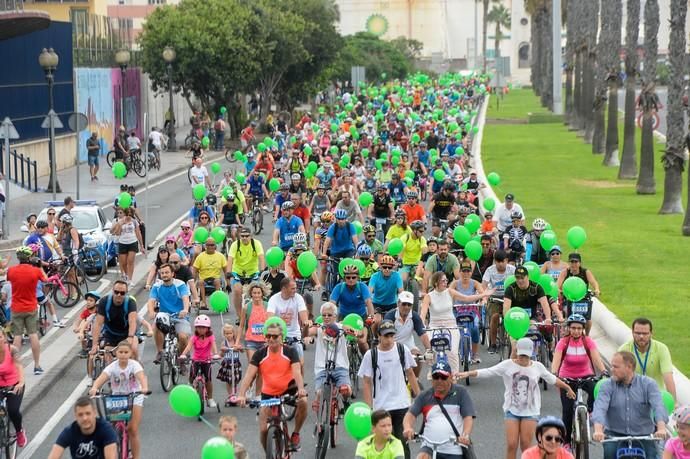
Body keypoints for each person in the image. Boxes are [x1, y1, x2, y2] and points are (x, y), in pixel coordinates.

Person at [457, 337, 575, 459]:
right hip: (511, 410)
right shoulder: (508, 365)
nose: (523, 358)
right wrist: (468, 373)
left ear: (531, 353)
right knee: (512, 444)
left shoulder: (538, 367)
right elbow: (488, 372)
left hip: (530, 411)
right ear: (517, 351)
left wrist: (567, 388)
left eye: (526, 355)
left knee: (526, 445)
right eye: (521, 355)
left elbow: (552, 379)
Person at [236, 318, 308, 452]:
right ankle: (269, 453)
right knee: (263, 430)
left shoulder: (290, 351)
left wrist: (301, 389)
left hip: (288, 390)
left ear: (281, 338)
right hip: (268, 393)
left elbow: (297, 372)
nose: (271, 339)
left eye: (275, 336)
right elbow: (249, 375)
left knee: (303, 401)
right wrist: (241, 395)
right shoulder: (260, 354)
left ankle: (296, 434)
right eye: (268, 336)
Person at [359, 320, 420, 459]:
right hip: (381, 407)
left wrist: (419, 397)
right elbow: (367, 382)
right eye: (386, 336)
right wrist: (369, 408)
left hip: (401, 404)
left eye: (392, 335)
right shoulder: (371, 355)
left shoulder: (401, 349)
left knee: (401, 443)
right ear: (379, 336)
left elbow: (410, 373)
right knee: (382, 443)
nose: (389, 339)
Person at [592, 351, 669, 459]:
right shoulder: (607, 385)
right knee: (609, 454)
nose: (611, 369)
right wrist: (598, 430)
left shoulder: (648, 384)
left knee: (653, 456)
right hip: (614, 434)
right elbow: (600, 408)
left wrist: (661, 428)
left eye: (616, 367)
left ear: (629, 367)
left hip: (644, 434)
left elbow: (658, 406)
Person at [550, 314, 607, 444]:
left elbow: (596, 358)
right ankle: (566, 443)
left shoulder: (588, 341)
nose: (576, 331)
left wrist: (603, 371)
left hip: (586, 375)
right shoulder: (563, 342)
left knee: (595, 388)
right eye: (573, 328)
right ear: (569, 329)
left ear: (583, 329)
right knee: (568, 411)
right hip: (567, 378)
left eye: (579, 328)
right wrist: (554, 373)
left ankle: (591, 411)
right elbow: (556, 360)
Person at [421, 271, 492, 374]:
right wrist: (422, 323)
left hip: (451, 325)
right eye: (443, 281)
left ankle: (454, 376)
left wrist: (484, 294)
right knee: (432, 351)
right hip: (434, 326)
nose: (446, 282)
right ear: (436, 283)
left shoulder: (450, 292)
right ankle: (433, 372)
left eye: (446, 280)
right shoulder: (429, 296)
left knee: (453, 353)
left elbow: (467, 298)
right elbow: (423, 312)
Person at [403, 361, 476, 459]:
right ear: (431, 379)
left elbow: (468, 417)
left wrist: (465, 435)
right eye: (436, 377)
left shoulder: (461, 393)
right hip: (428, 446)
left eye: (443, 377)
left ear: (450, 377)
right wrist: (408, 428)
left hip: (453, 449)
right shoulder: (424, 396)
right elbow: (410, 415)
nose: (439, 380)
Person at [89, 340, 148, 459]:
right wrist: (95, 388)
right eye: (120, 352)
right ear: (116, 353)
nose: (123, 354)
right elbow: (101, 378)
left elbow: (141, 377)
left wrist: (144, 387)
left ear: (130, 353)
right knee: (111, 428)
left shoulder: (134, 365)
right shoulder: (112, 367)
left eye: (126, 352)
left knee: (132, 429)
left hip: (134, 395)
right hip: (117, 397)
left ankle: (135, 456)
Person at [7, 246, 47, 375]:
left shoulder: (11, 271)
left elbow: (9, 280)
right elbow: (45, 280)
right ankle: (36, 365)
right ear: (30, 257)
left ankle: (15, 366)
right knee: (33, 334)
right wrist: (40, 266)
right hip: (31, 307)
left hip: (16, 307)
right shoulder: (35, 271)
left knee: (17, 337)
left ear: (18, 258)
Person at [306, 303, 351, 411]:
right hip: (322, 368)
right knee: (319, 392)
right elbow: (308, 333)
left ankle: (345, 401)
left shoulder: (341, 327)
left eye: (329, 315)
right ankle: (319, 424)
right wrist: (307, 332)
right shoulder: (318, 328)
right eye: (324, 315)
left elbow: (351, 329)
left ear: (335, 316)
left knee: (346, 390)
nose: (326, 317)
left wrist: (355, 332)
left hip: (340, 367)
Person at [618, 317, 676, 400]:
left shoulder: (661, 349)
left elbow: (668, 376)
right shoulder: (624, 350)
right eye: (638, 333)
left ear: (651, 334)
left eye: (645, 333)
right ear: (632, 333)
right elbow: (618, 378)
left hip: (656, 397)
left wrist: (674, 402)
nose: (641, 336)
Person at [147, 263, 191, 364]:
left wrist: (185, 310)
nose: (164, 275)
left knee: (183, 337)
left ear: (172, 274)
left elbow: (185, 298)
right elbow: (151, 300)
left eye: (167, 272)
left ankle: (182, 358)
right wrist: (151, 312)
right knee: (157, 326)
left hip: (179, 315)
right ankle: (160, 352)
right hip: (164, 315)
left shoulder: (180, 284)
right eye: (162, 273)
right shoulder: (157, 286)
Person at [48, 396, 118, 459]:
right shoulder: (70, 431)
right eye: (80, 415)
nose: (84, 418)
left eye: (88, 413)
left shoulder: (106, 429)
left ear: (94, 413)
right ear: (75, 416)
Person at [383, 291, 431, 378]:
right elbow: (385, 337)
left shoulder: (415, 316)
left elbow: (423, 334)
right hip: (392, 346)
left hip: (409, 347)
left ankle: (414, 382)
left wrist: (429, 350)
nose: (406, 307)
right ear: (398, 303)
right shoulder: (390, 316)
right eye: (404, 304)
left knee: (418, 356)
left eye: (409, 305)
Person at [91, 281, 139, 363]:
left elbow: (132, 321)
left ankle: (136, 370)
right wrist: (94, 344)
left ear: (126, 293)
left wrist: (130, 337)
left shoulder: (130, 302)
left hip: (127, 333)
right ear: (112, 291)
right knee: (107, 353)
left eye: (122, 293)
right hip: (111, 334)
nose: (119, 295)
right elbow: (98, 324)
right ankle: (112, 374)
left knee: (133, 349)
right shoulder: (104, 302)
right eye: (116, 292)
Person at [179, 315, 220, 408]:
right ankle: (189, 387)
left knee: (208, 378)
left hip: (207, 360)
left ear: (208, 328)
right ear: (196, 328)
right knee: (192, 374)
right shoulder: (194, 337)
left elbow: (213, 346)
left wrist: (215, 354)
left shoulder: (210, 337)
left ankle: (210, 399)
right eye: (199, 327)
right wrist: (183, 354)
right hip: (196, 359)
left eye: (203, 327)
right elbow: (189, 346)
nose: (201, 329)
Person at [266, 278, 310, 362]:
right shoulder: (274, 299)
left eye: (295, 288)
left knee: (300, 362)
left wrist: (306, 322)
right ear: (284, 289)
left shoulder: (298, 298)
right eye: (292, 288)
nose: (295, 290)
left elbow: (303, 315)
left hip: (294, 334)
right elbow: (269, 319)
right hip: (279, 335)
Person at [483, 250, 516, 353]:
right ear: (494, 261)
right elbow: (484, 285)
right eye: (498, 261)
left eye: (503, 261)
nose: (501, 264)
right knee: (494, 317)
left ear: (507, 260)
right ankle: (493, 343)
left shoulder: (513, 270)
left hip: (509, 297)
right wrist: (484, 297)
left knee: (512, 316)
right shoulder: (490, 270)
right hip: (495, 297)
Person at [228, 226, 265, 317]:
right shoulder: (235, 245)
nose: (244, 238)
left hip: (253, 272)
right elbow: (230, 259)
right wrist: (229, 272)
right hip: (238, 272)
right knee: (237, 290)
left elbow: (261, 258)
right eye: (242, 236)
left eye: (246, 236)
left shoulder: (256, 244)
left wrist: (262, 270)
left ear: (251, 236)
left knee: (256, 291)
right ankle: (239, 316)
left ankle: (256, 312)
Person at [111, 207, 146, 284]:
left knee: (130, 261)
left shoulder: (134, 221)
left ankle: (130, 279)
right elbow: (116, 233)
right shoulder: (120, 221)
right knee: (123, 263)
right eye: (127, 214)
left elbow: (138, 233)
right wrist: (120, 224)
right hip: (122, 243)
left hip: (132, 242)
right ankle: (126, 275)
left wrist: (141, 245)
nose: (129, 215)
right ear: (125, 214)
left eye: (131, 214)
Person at [192, 238, 228, 307]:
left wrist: (228, 283)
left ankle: (218, 301)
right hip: (204, 279)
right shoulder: (200, 256)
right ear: (205, 246)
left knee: (217, 281)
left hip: (215, 278)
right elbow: (194, 270)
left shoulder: (220, 256)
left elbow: (225, 270)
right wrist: (192, 283)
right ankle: (203, 302)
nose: (210, 247)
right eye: (208, 245)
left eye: (212, 245)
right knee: (200, 282)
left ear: (215, 246)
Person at [369, 255, 403, 319]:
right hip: (377, 304)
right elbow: (369, 292)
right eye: (385, 267)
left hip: (391, 305)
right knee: (376, 321)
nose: (387, 269)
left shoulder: (397, 276)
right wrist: (369, 300)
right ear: (381, 267)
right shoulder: (374, 276)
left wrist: (400, 305)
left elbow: (401, 293)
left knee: (393, 322)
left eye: (389, 267)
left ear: (392, 268)